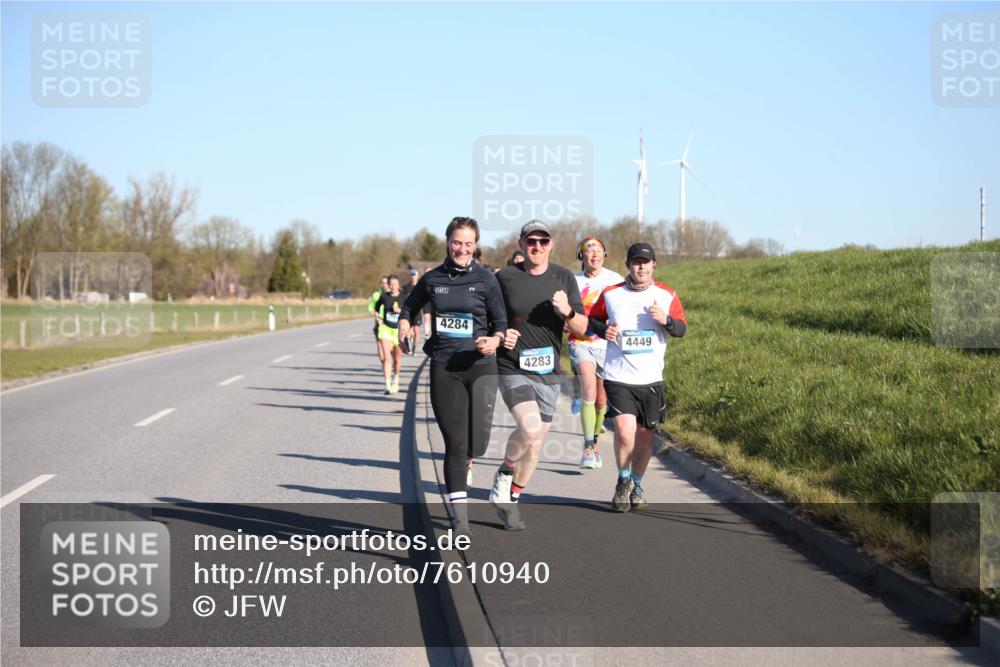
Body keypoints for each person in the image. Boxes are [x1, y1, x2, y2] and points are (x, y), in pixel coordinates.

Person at [399, 217, 507, 539]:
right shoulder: (433, 279)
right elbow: (409, 308)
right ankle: (460, 519)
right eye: (457, 242)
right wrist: (405, 326)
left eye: (468, 243)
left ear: (476, 245)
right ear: (448, 242)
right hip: (445, 366)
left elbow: (500, 321)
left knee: (478, 442)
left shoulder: (486, 279)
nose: (462, 249)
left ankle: (470, 461)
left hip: (481, 365)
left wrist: (495, 340)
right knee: (455, 443)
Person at [490, 220, 587, 530]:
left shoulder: (564, 277)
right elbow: (488, 318)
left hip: (548, 372)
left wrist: (567, 313)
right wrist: (501, 333)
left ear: (551, 245)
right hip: (512, 366)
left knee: (535, 444)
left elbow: (582, 328)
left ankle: (512, 501)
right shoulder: (504, 278)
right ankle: (504, 473)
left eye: (543, 241)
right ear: (521, 244)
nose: (537, 246)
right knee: (529, 427)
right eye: (531, 241)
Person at [587, 242, 687, 512]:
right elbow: (592, 320)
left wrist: (665, 320)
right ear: (628, 265)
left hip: (651, 379)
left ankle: (637, 484)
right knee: (625, 431)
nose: (641, 266)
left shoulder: (666, 294)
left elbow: (681, 329)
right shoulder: (611, 294)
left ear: (654, 265)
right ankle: (623, 480)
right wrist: (603, 330)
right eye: (636, 262)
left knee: (645, 437)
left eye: (646, 262)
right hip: (619, 376)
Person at [569, 236, 624, 469]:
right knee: (589, 390)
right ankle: (588, 447)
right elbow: (564, 309)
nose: (594, 255)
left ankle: (595, 441)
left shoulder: (615, 280)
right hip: (580, 341)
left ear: (605, 254)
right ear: (582, 256)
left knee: (602, 402)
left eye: (599, 251)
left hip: (607, 346)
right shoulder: (573, 280)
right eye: (589, 251)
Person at [372, 275, 405, 394]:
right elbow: (376, 308)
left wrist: (400, 311)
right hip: (385, 329)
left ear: (398, 284)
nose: (393, 286)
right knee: (386, 357)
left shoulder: (403, 296)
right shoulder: (384, 296)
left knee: (397, 359)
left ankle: (396, 379)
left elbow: (409, 312)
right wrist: (377, 316)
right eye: (391, 284)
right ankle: (387, 385)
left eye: (395, 284)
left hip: (398, 331)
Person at [367, 276, 390, 363]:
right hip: (379, 323)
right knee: (380, 345)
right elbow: (371, 307)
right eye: (382, 283)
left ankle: (389, 362)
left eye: (386, 283)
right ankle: (384, 363)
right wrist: (375, 313)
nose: (384, 285)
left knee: (389, 347)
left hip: (390, 325)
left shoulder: (391, 294)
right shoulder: (376, 295)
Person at [400, 268, 422, 356]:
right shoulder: (405, 288)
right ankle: (408, 346)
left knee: (417, 332)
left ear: (417, 276)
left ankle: (414, 349)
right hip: (408, 312)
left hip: (417, 312)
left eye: (414, 275)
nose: (413, 277)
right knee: (408, 331)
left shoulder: (421, 287)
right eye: (411, 275)